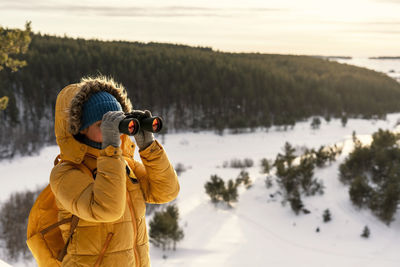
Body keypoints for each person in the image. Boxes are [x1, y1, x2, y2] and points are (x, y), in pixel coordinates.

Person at [50, 76, 179, 267]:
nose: (115, 134)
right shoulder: (66, 174)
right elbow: (107, 210)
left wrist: (148, 147)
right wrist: (110, 149)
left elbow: (166, 192)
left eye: (116, 125)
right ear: (81, 129)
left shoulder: (123, 165)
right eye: (102, 125)